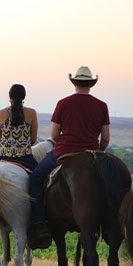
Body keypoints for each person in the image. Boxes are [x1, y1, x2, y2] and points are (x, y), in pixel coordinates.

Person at [28, 66, 110, 248]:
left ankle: (40, 223)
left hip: (64, 152)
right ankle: (111, 224)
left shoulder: (63, 103)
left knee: (35, 179)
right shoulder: (102, 106)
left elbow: (55, 135)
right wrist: (99, 150)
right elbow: (105, 138)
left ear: (75, 84)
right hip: (92, 155)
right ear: (91, 84)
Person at [0, 84, 38, 170]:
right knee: (40, 177)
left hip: (2, 155)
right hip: (25, 157)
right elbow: (33, 139)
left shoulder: (0, 114)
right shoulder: (32, 113)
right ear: (24, 97)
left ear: (10, 96)